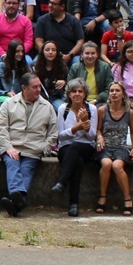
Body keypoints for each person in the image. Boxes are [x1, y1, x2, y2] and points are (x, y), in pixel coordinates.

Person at [0, 73, 56, 217]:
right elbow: (0, 127)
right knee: (13, 165)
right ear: (24, 88)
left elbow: (53, 133)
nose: (38, 90)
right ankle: (19, 199)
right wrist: (8, 147)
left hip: (33, 149)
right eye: (34, 87)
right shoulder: (9, 104)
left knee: (26, 169)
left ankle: (15, 202)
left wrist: (44, 148)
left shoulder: (47, 107)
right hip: (12, 147)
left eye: (39, 86)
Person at [52, 80, 98, 217]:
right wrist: (76, 128)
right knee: (76, 161)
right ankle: (73, 204)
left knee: (76, 146)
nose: (77, 94)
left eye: (80, 91)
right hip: (66, 147)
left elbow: (92, 137)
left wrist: (85, 124)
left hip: (86, 147)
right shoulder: (63, 109)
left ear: (85, 94)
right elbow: (60, 136)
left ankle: (62, 182)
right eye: (74, 91)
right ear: (69, 94)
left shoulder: (91, 109)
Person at [96, 80, 133, 215]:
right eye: (112, 91)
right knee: (107, 163)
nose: (114, 93)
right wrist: (100, 137)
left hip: (121, 147)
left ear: (123, 94)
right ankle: (102, 196)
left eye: (117, 91)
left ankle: (127, 198)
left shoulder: (129, 112)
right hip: (106, 146)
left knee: (117, 166)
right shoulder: (102, 110)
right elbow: (98, 129)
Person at [0, 0, 34, 65]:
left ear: (18, 5)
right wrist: (3, 54)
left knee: (29, 62)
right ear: (4, 4)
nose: (11, 5)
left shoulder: (26, 21)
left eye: (14, 3)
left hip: (20, 54)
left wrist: (19, 53)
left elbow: (29, 41)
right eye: (9, 3)